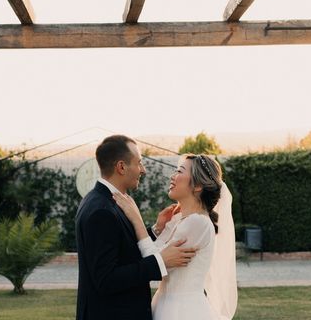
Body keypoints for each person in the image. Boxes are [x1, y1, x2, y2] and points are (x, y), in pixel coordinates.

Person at [75, 135, 198, 320]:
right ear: (121, 167)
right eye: (139, 163)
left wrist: (155, 230)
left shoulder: (107, 200)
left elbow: (121, 249)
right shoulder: (101, 210)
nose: (143, 169)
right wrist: (160, 262)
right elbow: (106, 280)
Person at [113, 153, 238, 320]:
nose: (172, 176)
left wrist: (136, 219)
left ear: (198, 185)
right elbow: (154, 255)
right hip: (164, 303)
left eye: (180, 171)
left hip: (183, 310)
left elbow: (156, 262)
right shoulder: (178, 219)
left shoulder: (197, 224)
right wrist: (158, 227)